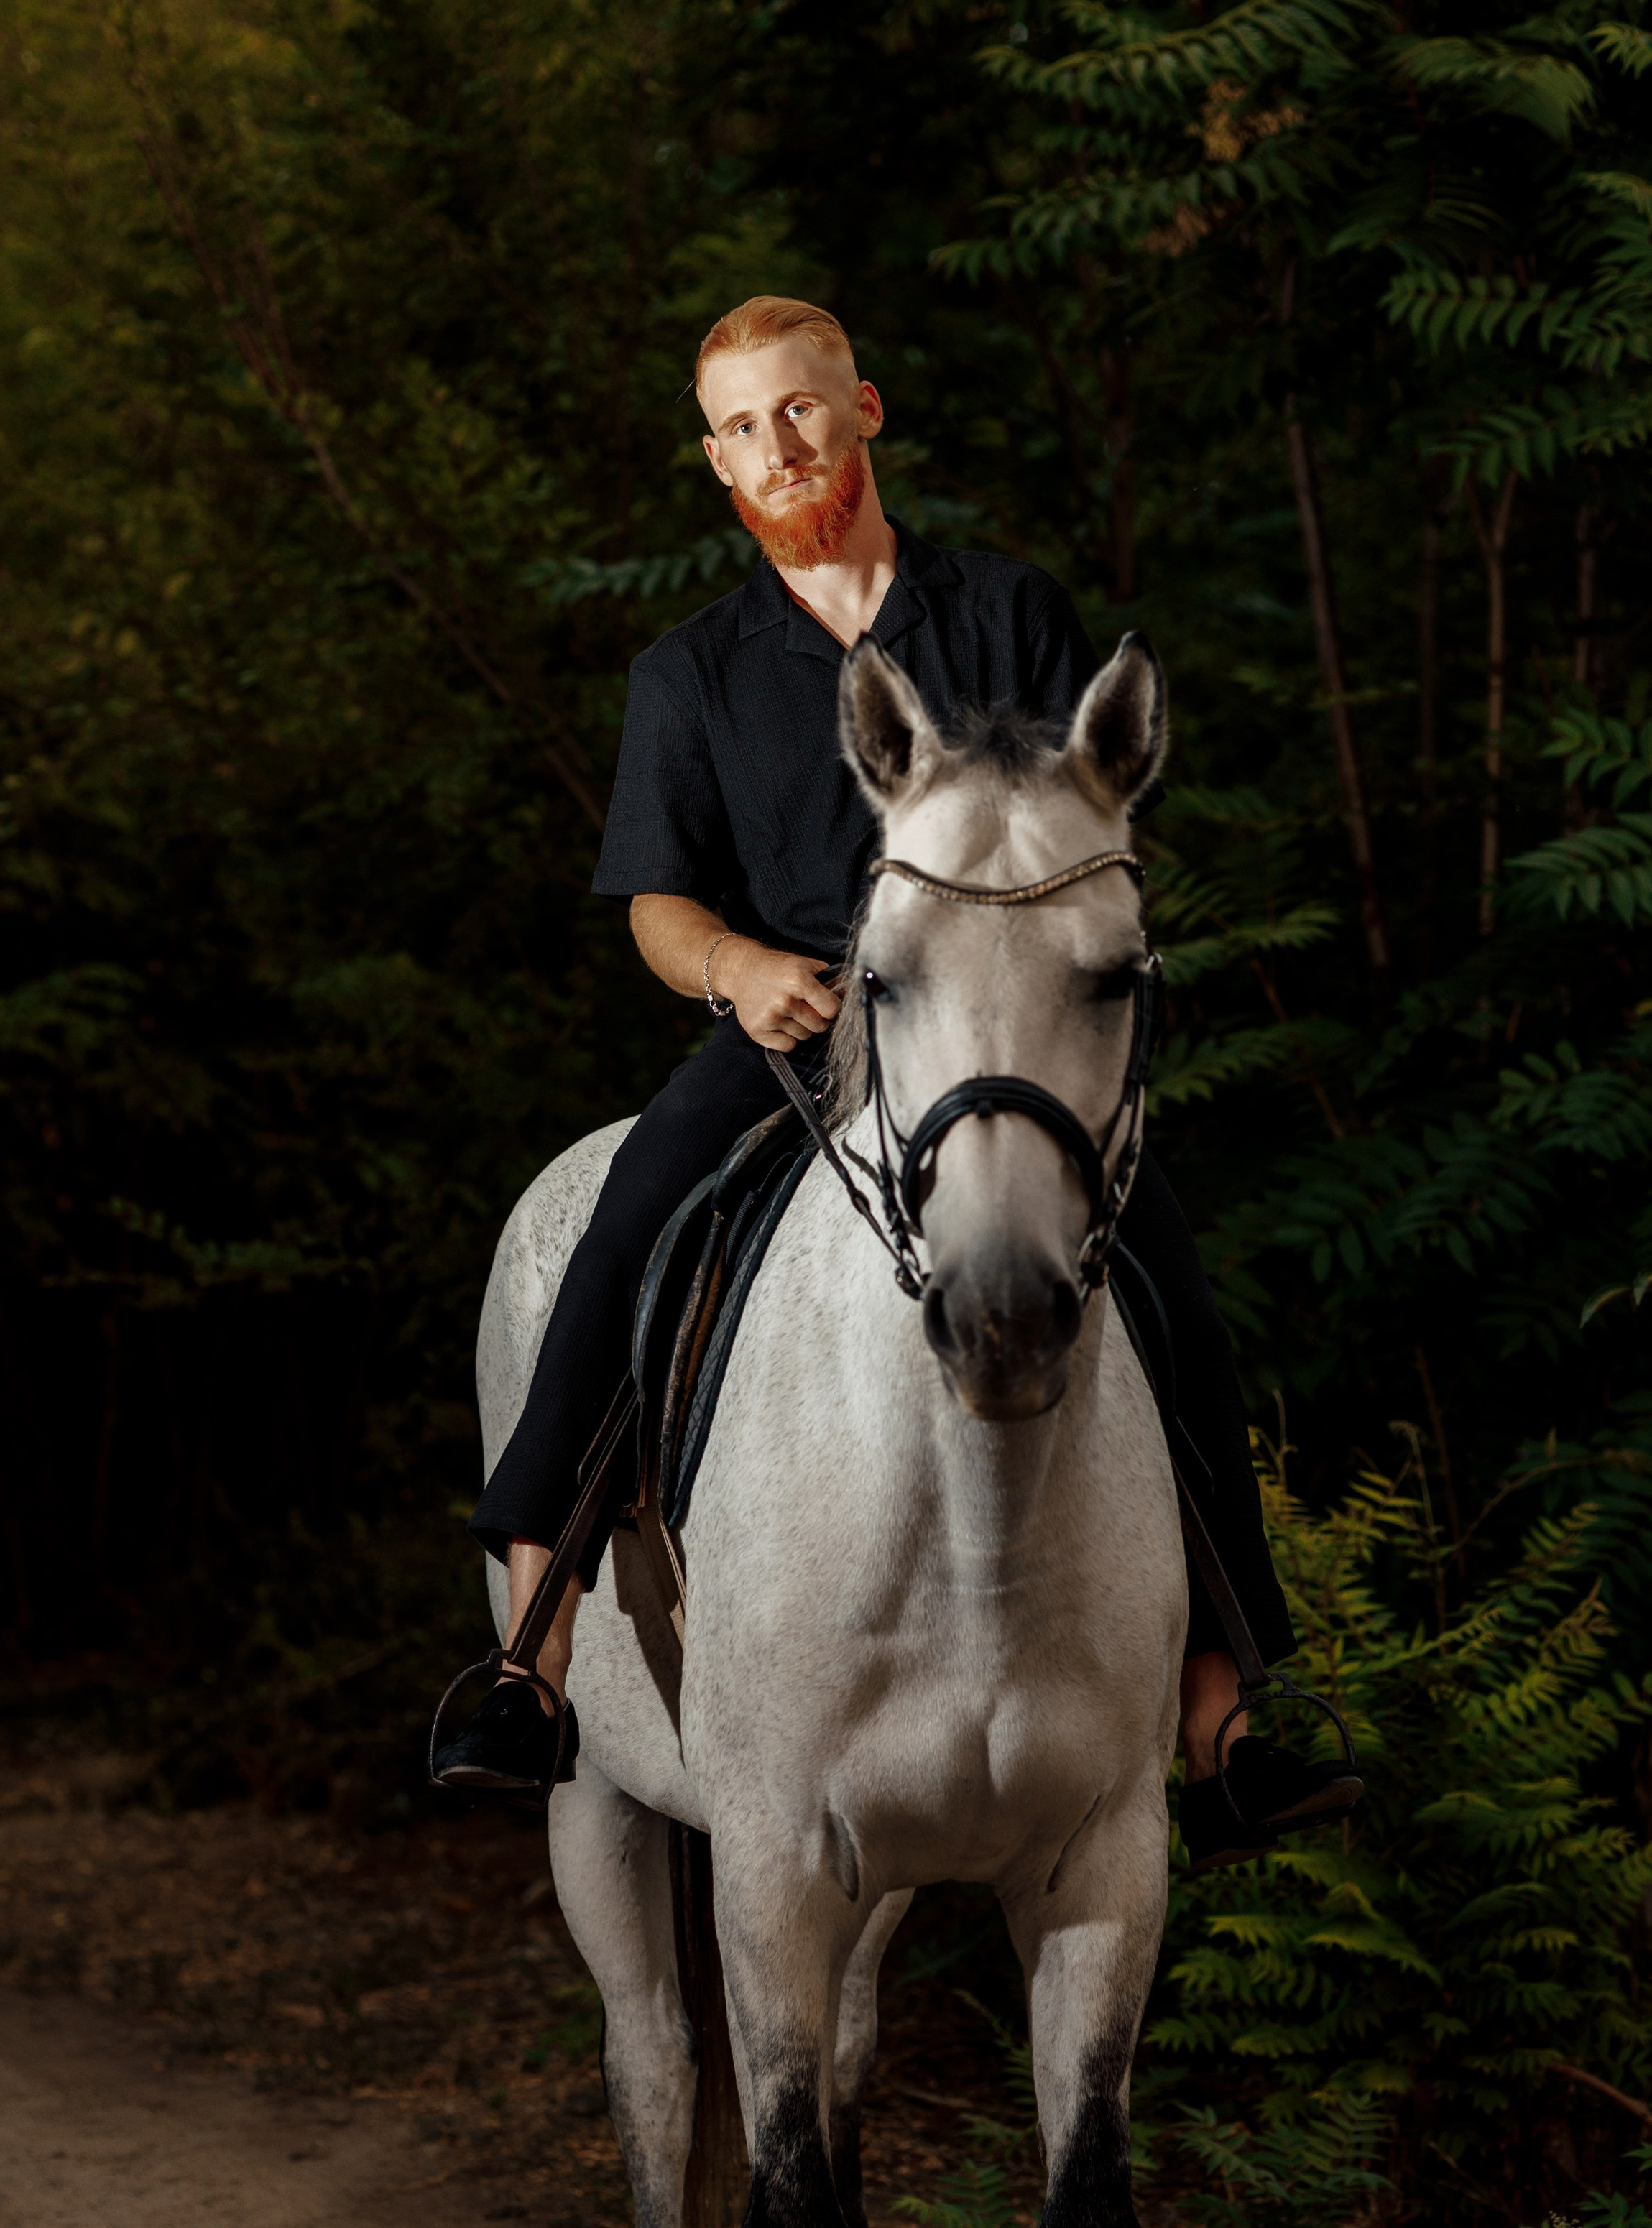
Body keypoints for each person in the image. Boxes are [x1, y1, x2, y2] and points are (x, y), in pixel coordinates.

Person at [435, 295, 1362, 1861]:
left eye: (797, 408)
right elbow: (659, 909)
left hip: (989, 1031)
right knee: (624, 1223)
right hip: (795, 1027)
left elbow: (1087, 832)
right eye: (739, 425)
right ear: (714, 460)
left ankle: (1224, 1704)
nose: (774, 443)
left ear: (862, 408)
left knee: (1161, 1274)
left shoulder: (1004, 611)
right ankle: (529, 1655)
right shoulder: (692, 673)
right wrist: (735, 970)